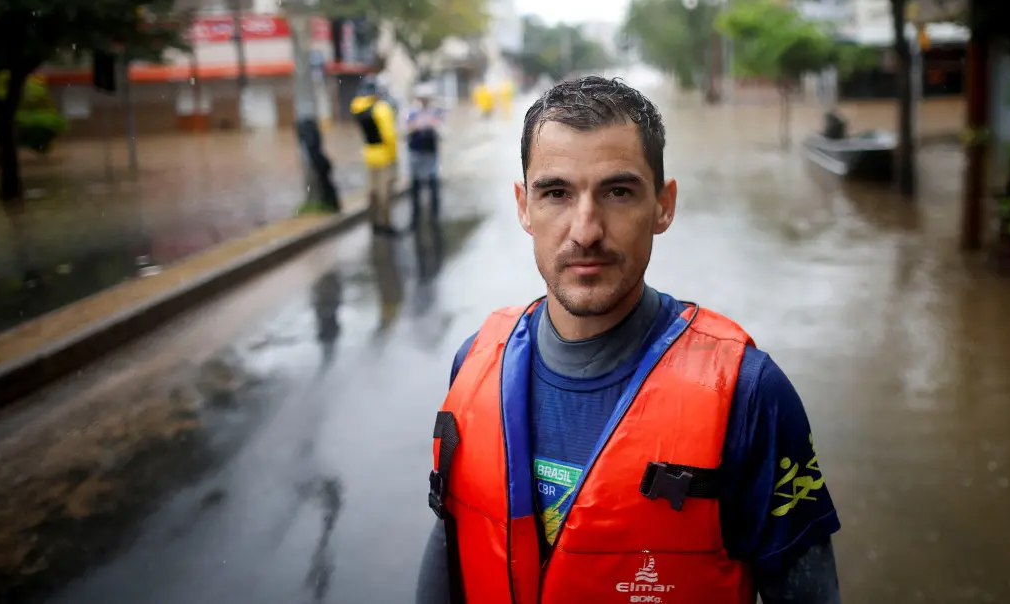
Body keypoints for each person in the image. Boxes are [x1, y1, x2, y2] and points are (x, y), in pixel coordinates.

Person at [418, 77, 842, 603]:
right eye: (556, 193)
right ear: (524, 206)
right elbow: (449, 547)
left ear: (664, 206)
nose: (586, 230)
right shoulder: (476, 363)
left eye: (618, 192)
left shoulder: (747, 394)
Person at [349, 78, 399, 236]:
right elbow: (389, 135)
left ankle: (373, 222)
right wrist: (393, 156)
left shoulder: (357, 107)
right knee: (384, 192)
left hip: (369, 153)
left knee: (372, 191)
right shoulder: (381, 109)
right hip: (384, 154)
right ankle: (385, 223)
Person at [405, 82, 444, 230]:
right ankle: (415, 219)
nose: (424, 101)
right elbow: (404, 129)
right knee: (415, 187)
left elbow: (443, 132)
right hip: (416, 152)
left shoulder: (436, 112)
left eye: (427, 98)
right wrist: (415, 126)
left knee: (433, 185)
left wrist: (434, 126)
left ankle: (435, 217)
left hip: (431, 153)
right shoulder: (411, 112)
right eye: (422, 98)